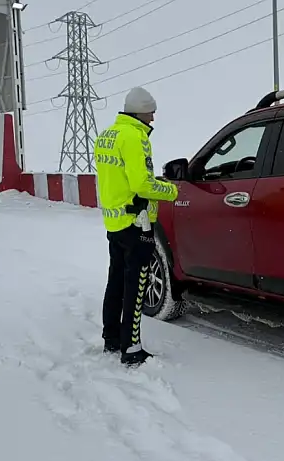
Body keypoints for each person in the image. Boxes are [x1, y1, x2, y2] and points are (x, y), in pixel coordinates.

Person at [94, 86, 179, 367]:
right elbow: (141, 183)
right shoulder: (135, 137)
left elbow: (114, 179)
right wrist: (171, 190)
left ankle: (111, 338)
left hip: (115, 221)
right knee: (136, 286)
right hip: (136, 221)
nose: (153, 119)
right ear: (141, 112)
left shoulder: (108, 135)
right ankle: (132, 348)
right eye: (151, 113)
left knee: (115, 282)